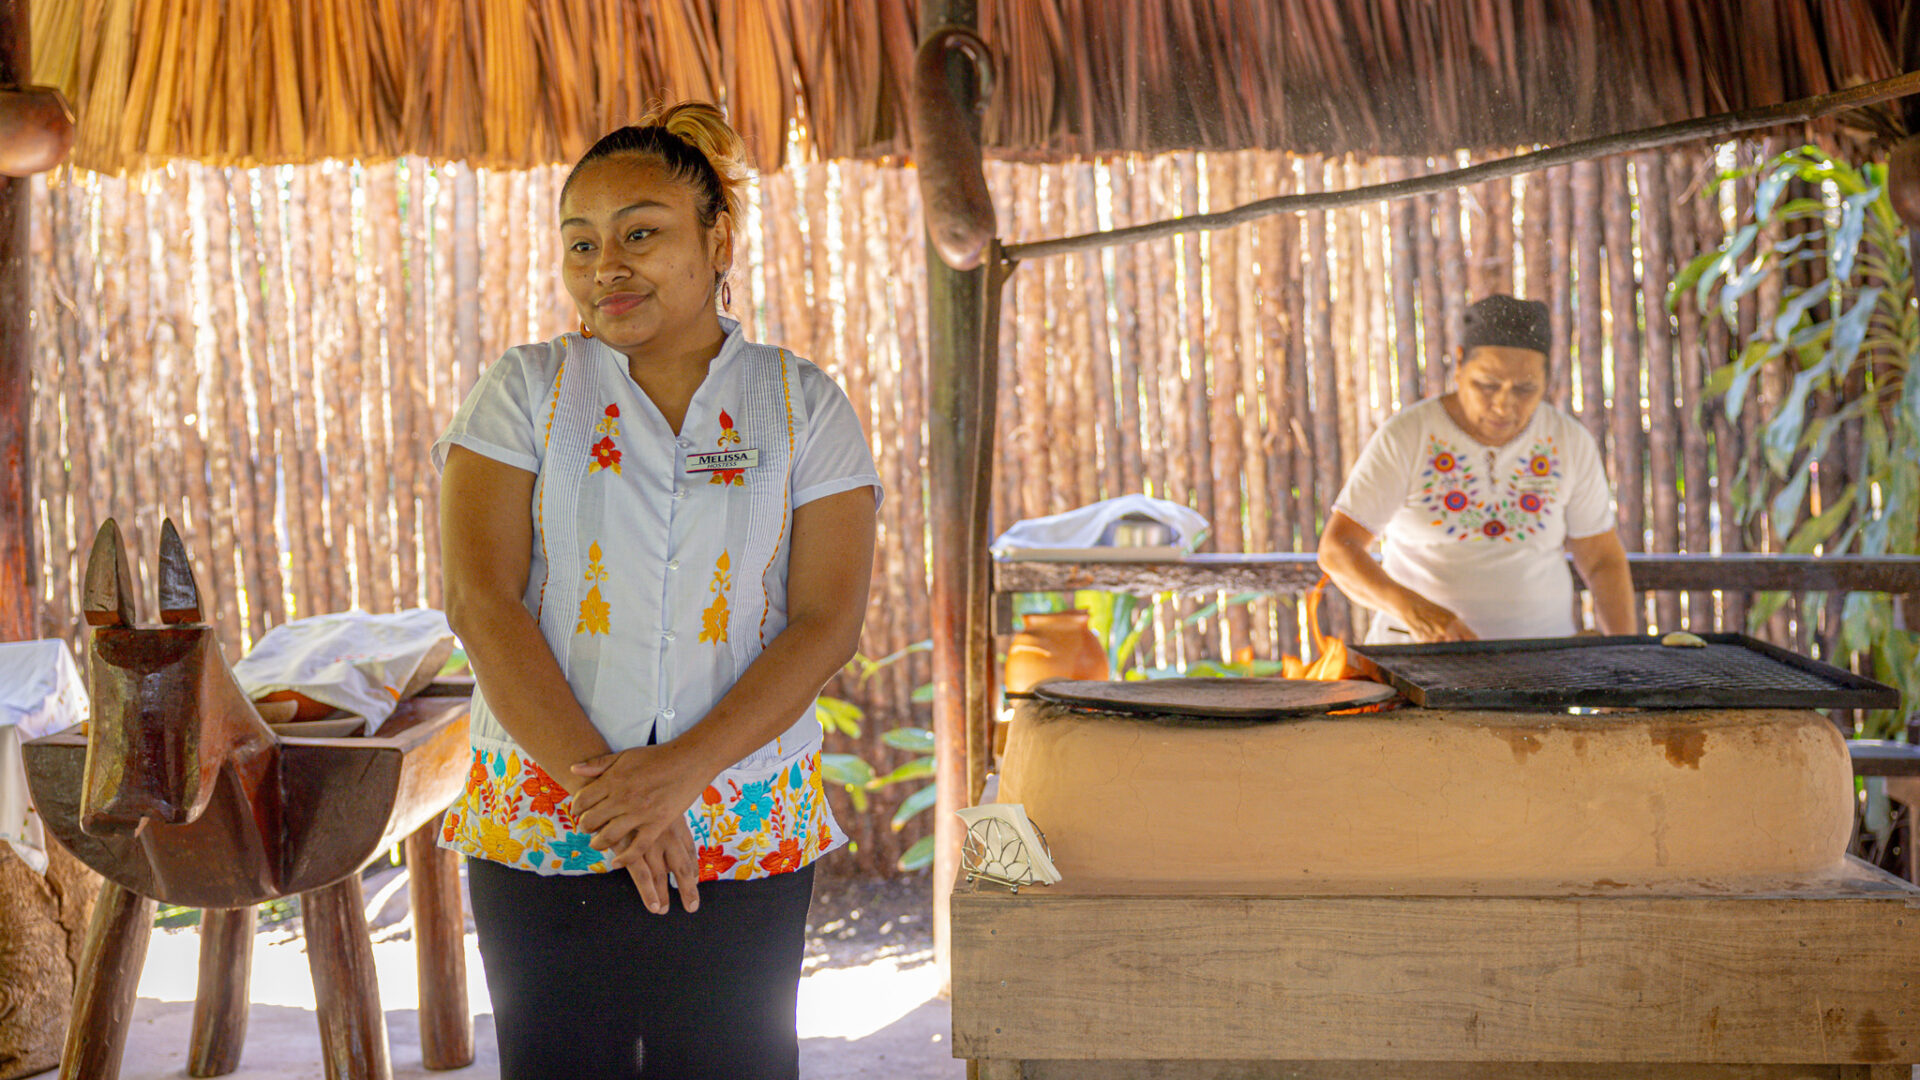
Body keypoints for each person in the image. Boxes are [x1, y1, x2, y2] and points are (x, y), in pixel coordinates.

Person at [433, 101, 882, 1079]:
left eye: (640, 234)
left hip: (742, 811)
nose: (607, 267)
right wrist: (614, 797)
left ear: (719, 242)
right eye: (581, 243)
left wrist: (679, 775)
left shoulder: (802, 405)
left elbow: (825, 622)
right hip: (549, 812)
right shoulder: (526, 392)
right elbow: (481, 601)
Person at [1317, 294, 1634, 643]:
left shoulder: (1569, 442)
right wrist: (1414, 611)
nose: (1504, 404)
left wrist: (1624, 655)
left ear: (1547, 380)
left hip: (1543, 660)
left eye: (1525, 389)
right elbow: (1337, 548)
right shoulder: (1408, 436)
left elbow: (1602, 560)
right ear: (1459, 364)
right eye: (1487, 385)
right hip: (1418, 657)